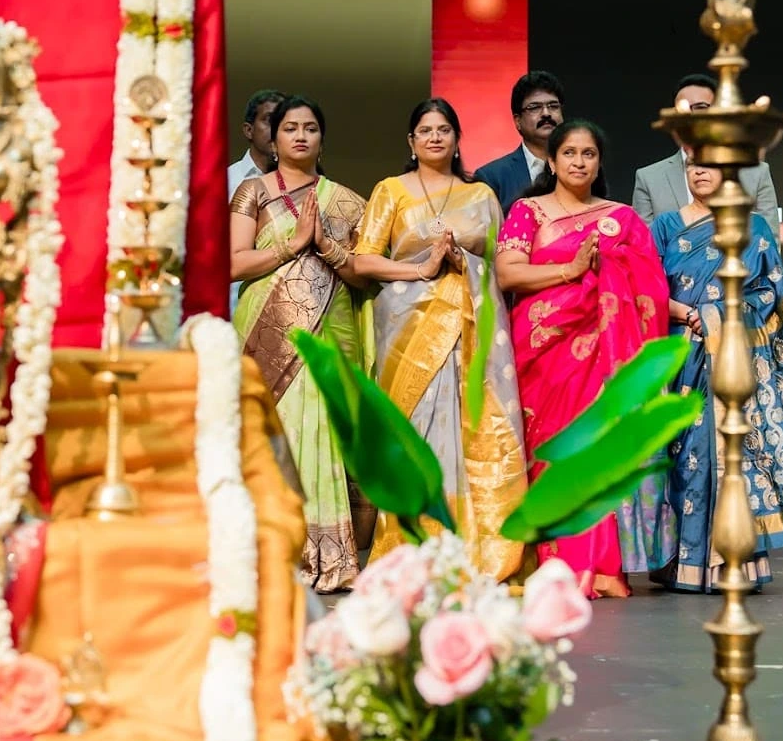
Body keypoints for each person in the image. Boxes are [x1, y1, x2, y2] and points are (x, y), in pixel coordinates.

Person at [495, 119, 674, 598]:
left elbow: (650, 289)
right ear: (552, 162)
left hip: (606, 352)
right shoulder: (528, 211)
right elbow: (508, 273)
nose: (579, 162)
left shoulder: (623, 219)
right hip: (542, 351)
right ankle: (551, 561)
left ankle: (602, 567)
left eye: (588, 154)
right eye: (569, 153)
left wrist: (611, 271)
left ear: (599, 164)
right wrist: (571, 270)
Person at [353, 97, 528, 581]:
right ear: (411, 142)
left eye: (444, 130)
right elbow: (363, 259)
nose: (435, 137)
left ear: (456, 139)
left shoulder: (481, 195)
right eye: (425, 130)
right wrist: (421, 268)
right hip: (407, 330)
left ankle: (472, 546)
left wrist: (462, 262)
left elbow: (500, 268)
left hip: (471, 328)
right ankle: (413, 548)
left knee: (469, 429)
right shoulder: (390, 190)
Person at [651, 162, 783, 593]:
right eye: (693, 165)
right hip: (679, 358)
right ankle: (681, 561)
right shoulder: (666, 226)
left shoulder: (753, 227)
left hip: (734, 360)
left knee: (734, 458)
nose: (700, 172)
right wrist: (687, 314)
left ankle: (735, 562)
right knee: (684, 457)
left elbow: (770, 293)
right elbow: (646, 287)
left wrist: (715, 316)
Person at [230, 95, 369, 593]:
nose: (301, 136)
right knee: (275, 434)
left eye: (310, 128)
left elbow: (362, 275)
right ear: (273, 139)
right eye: (290, 128)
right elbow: (233, 263)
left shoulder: (348, 202)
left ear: (322, 140)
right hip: (266, 332)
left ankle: (326, 554)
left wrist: (328, 248)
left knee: (322, 431)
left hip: (328, 333)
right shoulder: (253, 191)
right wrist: (292, 245)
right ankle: (268, 550)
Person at [632, 74, 779, 234]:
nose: (690, 116)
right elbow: (642, 244)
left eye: (701, 108)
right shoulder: (649, 178)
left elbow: (770, 239)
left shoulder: (757, 172)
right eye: (682, 110)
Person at [475, 71, 565, 215]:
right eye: (535, 107)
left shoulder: (579, 167)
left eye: (553, 106)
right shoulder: (492, 177)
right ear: (518, 121)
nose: (546, 113)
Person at [228, 89, 286, 312]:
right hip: (234, 305)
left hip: (284, 306)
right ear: (248, 130)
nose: (277, 129)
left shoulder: (301, 186)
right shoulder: (227, 182)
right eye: (269, 120)